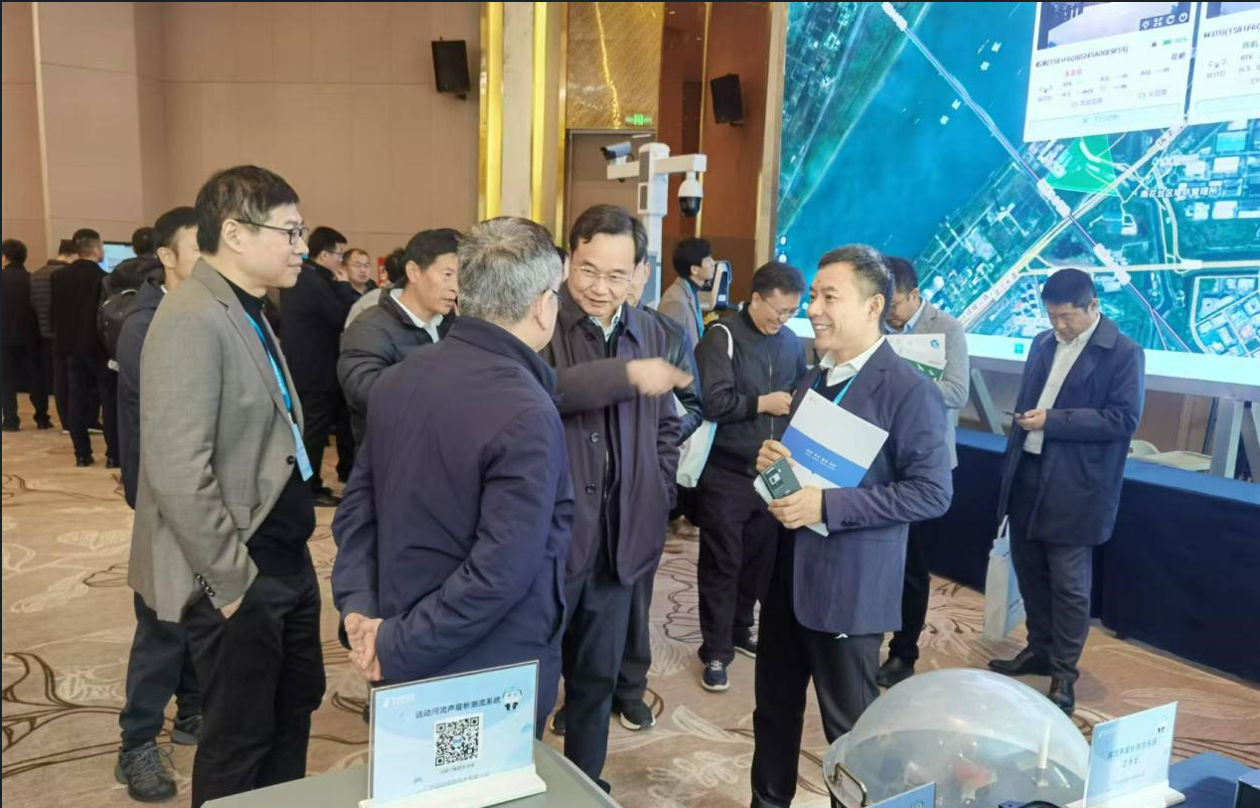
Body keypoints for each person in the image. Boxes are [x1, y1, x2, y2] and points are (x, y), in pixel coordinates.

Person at [128, 165, 324, 807]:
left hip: (283, 555)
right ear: (236, 233)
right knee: (239, 737)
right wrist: (232, 583)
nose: (301, 246)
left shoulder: (247, 307)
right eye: (290, 232)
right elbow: (178, 469)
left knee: (291, 712)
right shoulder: (191, 315)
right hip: (241, 568)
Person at [332, 217, 572, 734]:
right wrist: (392, 640)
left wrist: (360, 611)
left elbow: (358, 509)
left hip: (397, 629)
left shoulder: (399, 379)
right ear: (541, 304)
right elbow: (500, 570)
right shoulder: (526, 410)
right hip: (485, 666)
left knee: (411, 767)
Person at [751, 244, 952, 808]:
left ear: (873, 306)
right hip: (785, 578)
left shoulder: (909, 391)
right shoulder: (811, 378)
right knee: (773, 715)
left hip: (848, 588)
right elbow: (802, 475)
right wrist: (773, 467)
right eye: (813, 296)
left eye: (828, 297)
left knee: (853, 737)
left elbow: (932, 492)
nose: (813, 309)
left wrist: (827, 507)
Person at [542, 204, 683, 792]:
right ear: (568, 261)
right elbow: (537, 391)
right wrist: (623, 376)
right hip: (551, 540)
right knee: (531, 681)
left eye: (616, 275)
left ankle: (584, 784)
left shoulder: (650, 331)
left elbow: (666, 425)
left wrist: (659, 489)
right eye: (588, 270)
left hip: (620, 540)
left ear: (639, 274)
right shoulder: (541, 319)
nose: (600, 288)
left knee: (598, 678)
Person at [988, 268, 1144, 716]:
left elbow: (1123, 419)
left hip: (1076, 484)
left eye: (1067, 317)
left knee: (1069, 584)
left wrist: (1052, 421)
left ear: (1093, 306)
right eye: (1052, 316)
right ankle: (1038, 649)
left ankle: (1063, 673)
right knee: (1030, 571)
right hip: (1028, 470)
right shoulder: (1042, 342)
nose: (1059, 325)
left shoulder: (1123, 352)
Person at [113, 206, 203, 802]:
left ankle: (194, 708)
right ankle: (137, 743)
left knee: (202, 609)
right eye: (200, 249)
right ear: (166, 256)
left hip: (206, 493)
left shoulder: (212, 312)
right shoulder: (146, 324)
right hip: (165, 495)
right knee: (163, 620)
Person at [693, 261, 807, 693]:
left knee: (760, 561)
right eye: (778, 310)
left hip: (773, 472)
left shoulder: (791, 342)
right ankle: (715, 650)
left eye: (791, 312)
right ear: (755, 298)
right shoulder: (721, 336)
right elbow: (711, 402)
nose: (783, 319)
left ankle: (741, 629)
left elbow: (798, 394)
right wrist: (763, 403)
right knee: (722, 563)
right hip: (727, 471)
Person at [608, 257, 705, 731]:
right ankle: (583, 691)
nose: (612, 284)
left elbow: (693, 405)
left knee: (635, 600)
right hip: (585, 491)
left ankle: (629, 689)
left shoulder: (665, 332)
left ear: (643, 273)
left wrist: (657, 463)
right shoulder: (566, 327)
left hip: (641, 487)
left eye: (623, 271)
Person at [876, 256, 971, 688]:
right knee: (876, 559)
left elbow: (957, 391)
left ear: (914, 294)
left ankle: (904, 652)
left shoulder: (947, 328)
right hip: (878, 460)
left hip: (923, 464)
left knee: (913, 567)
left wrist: (906, 383)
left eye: (895, 304)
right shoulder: (877, 326)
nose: (890, 312)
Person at [338, 229, 459, 444]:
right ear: (413, 271)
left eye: (462, 276)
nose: (456, 287)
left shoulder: (455, 325)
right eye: (447, 274)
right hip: (394, 454)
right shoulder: (369, 327)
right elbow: (365, 394)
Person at [278, 225, 358, 505]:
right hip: (315, 370)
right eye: (339, 255)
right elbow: (339, 316)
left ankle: (309, 485)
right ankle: (309, 488)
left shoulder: (307, 277)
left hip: (304, 366)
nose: (341, 261)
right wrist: (344, 286)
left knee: (309, 430)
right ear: (324, 255)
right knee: (313, 431)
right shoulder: (313, 281)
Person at [50, 228, 119, 467]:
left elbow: (55, 312)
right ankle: (113, 455)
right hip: (99, 347)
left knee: (76, 399)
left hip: (70, 346)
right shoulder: (104, 278)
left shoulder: (59, 276)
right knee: (109, 401)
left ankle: (81, 454)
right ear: (96, 249)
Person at [30, 239, 78, 430]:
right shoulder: (67, 275)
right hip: (66, 334)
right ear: (74, 255)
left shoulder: (36, 275)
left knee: (54, 379)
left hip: (42, 334)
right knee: (70, 380)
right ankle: (72, 420)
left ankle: (59, 419)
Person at [2, 239, 47, 431]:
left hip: (4, 337)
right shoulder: (32, 279)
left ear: (4, 257)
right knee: (36, 377)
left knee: (6, 380)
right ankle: (42, 418)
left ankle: (11, 420)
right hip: (31, 336)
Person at [658, 237, 715, 350]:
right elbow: (670, 348)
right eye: (708, 260)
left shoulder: (690, 292)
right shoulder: (675, 300)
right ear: (694, 269)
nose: (713, 263)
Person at [345, 247, 405, 328]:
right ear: (344, 267)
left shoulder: (374, 290)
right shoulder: (372, 298)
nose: (363, 270)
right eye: (358, 265)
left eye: (367, 265)